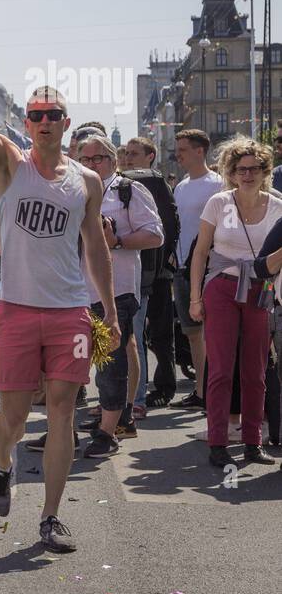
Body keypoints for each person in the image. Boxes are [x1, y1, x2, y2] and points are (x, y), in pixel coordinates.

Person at [0, 9, 119, 554]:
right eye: (37, 113)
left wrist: (106, 308)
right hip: (15, 309)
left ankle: (49, 517)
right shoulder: (7, 165)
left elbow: (95, 244)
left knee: (63, 408)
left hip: (68, 312)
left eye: (54, 113)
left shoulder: (86, 180)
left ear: (67, 123)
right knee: (12, 419)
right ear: (28, 121)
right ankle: (0, 463)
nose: (44, 121)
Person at [188, 137, 282, 469]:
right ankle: (218, 441)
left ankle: (253, 441)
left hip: (260, 289)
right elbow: (200, 252)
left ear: (265, 171)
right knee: (221, 371)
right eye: (241, 169)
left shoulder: (277, 206)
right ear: (231, 172)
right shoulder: (218, 203)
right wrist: (194, 298)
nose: (247, 174)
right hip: (222, 288)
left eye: (254, 168)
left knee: (256, 371)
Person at [69, 136, 163, 458]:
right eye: (85, 158)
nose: (92, 164)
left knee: (110, 361)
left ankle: (109, 432)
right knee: (73, 361)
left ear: (113, 160)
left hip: (117, 289)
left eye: (98, 158)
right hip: (73, 289)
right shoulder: (72, 191)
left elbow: (155, 234)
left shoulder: (128, 190)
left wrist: (118, 240)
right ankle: (70, 429)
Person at [122, 137, 179, 412]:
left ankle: (162, 387)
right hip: (135, 270)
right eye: (125, 153)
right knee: (135, 335)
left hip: (156, 272)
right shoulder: (123, 183)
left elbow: (169, 227)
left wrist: (163, 266)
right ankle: (132, 392)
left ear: (150, 155)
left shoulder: (155, 183)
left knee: (159, 335)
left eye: (134, 153)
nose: (128, 158)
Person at [171, 130, 221, 411]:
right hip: (182, 267)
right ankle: (201, 391)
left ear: (200, 151)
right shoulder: (181, 186)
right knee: (192, 333)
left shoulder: (218, 184)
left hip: (208, 267)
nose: (178, 154)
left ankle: (215, 391)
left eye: (183, 149)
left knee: (211, 332)